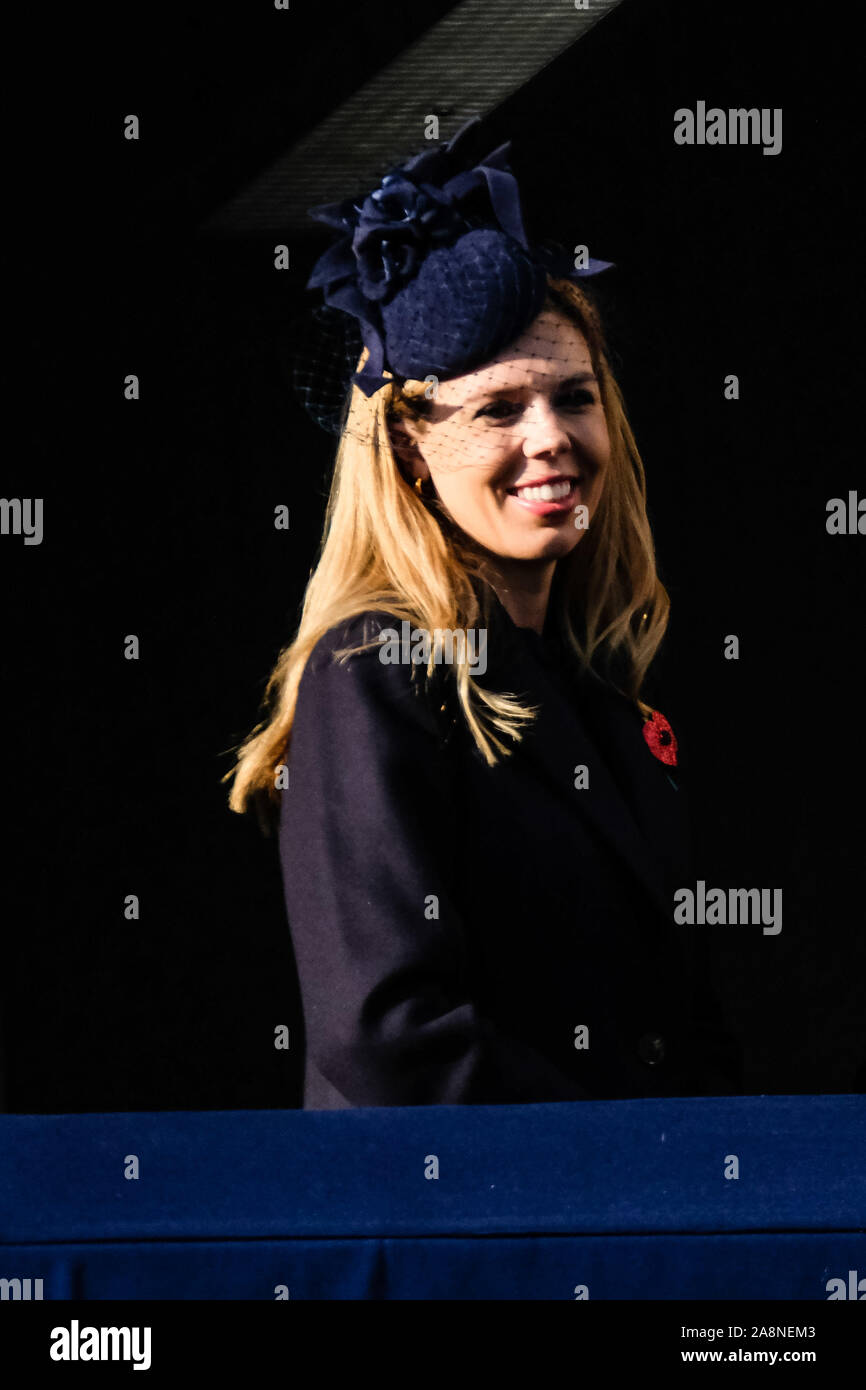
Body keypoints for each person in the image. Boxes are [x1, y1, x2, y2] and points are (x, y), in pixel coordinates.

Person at [226, 120, 743, 1108]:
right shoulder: (375, 668)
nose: (549, 438)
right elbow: (388, 1037)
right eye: (498, 410)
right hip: (476, 1208)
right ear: (409, 449)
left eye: (574, 397)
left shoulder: (599, 690)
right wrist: (626, 1163)